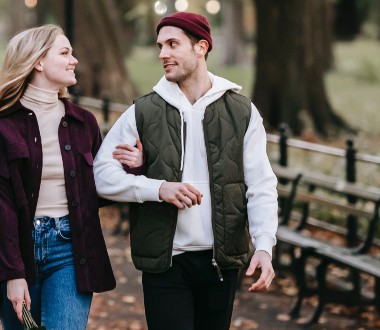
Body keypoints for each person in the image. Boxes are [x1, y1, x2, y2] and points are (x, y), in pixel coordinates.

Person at [94, 12, 278, 329]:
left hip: (220, 262)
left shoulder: (241, 111)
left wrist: (264, 245)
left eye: (172, 44)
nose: (163, 53)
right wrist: (157, 189)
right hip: (165, 262)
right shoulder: (143, 111)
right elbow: (101, 177)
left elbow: (260, 185)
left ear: (201, 47)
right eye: (160, 45)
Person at [0, 25, 115, 330]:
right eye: (65, 52)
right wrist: (12, 274)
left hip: (71, 248)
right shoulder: (2, 127)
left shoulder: (83, 122)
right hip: (21, 248)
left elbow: (100, 188)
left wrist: (134, 166)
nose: (74, 60)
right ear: (38, 62)